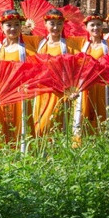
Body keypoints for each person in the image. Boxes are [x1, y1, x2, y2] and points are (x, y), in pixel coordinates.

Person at [0, 9, 41, 158]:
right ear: (2, 27)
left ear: (21, 27)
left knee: (19, 125)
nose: (13, 28)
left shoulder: (26, 50)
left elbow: (38, 70)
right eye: (9, 25)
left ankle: (20, 159)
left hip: (19, 95)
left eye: (16, 24)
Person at [33, 8, 84, 138]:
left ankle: (56, 151)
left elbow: (79, 66)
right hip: (42, 89)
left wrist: (74, 88)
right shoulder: (38, 43)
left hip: (62, 90)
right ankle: (39, 149)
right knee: (40, 121)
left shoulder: (69, 45)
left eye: (59, 24)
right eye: (52, 24)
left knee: (57, 120)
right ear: (45, 24)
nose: (56, 27)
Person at [77, 13, 109, 136]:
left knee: (102, 112)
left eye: (99, 25)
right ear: (86, 27)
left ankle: (103, 138)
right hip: (86, 85)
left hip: (102, 85)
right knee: (84, 112)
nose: (96, 28)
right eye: (92, 25)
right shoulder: (82, 44)